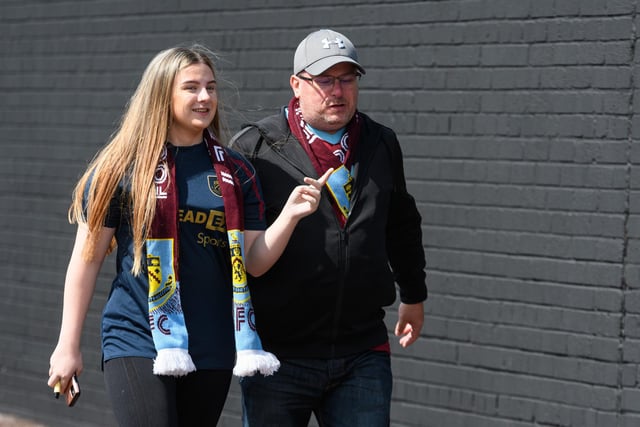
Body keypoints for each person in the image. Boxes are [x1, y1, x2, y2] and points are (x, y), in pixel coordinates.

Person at [47, 44, 331, 427]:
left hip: (212, 343)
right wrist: (67, 346)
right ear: (162, 94)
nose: (205, 97)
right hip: (136, 335)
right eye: (191, 87)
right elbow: (87, 260)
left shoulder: (236, 172)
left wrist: (291, 216)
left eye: (211, 88)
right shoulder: (123, 169)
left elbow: (254, 263)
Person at [230, 29, 427, 427]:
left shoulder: (380, 142)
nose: (337, 91)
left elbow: (401, 224)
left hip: (362, 351)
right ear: (296, 85)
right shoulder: (255, 148)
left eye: (347, 79)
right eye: (324, 80)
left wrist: (414, 294)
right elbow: (233, 253)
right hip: (279, 356)